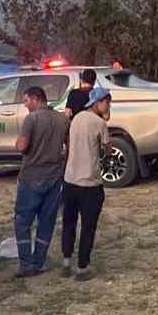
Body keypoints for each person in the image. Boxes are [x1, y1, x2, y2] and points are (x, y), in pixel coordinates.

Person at [12, 86, 66, 277]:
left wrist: (18, 142)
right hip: (54, 177)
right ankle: (39, 261)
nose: (25, 105)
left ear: (36, 99)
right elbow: (68, 146)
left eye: (26, 101)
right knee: (46, 221)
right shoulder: (62, 119)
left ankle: (26, 264)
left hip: (31, 177)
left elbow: (22, 146)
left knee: (22, 221)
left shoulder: (31, 119)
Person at [62, 86, 112, 281]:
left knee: (69, 222)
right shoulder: (99, 123)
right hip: (90, 182)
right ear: (97, 102)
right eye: (107, 102)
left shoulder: (76, 119)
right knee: (88, 226)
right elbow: (107, 150)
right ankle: (82, 267)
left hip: (70, 179)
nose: (108, 106)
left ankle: (66, 260)